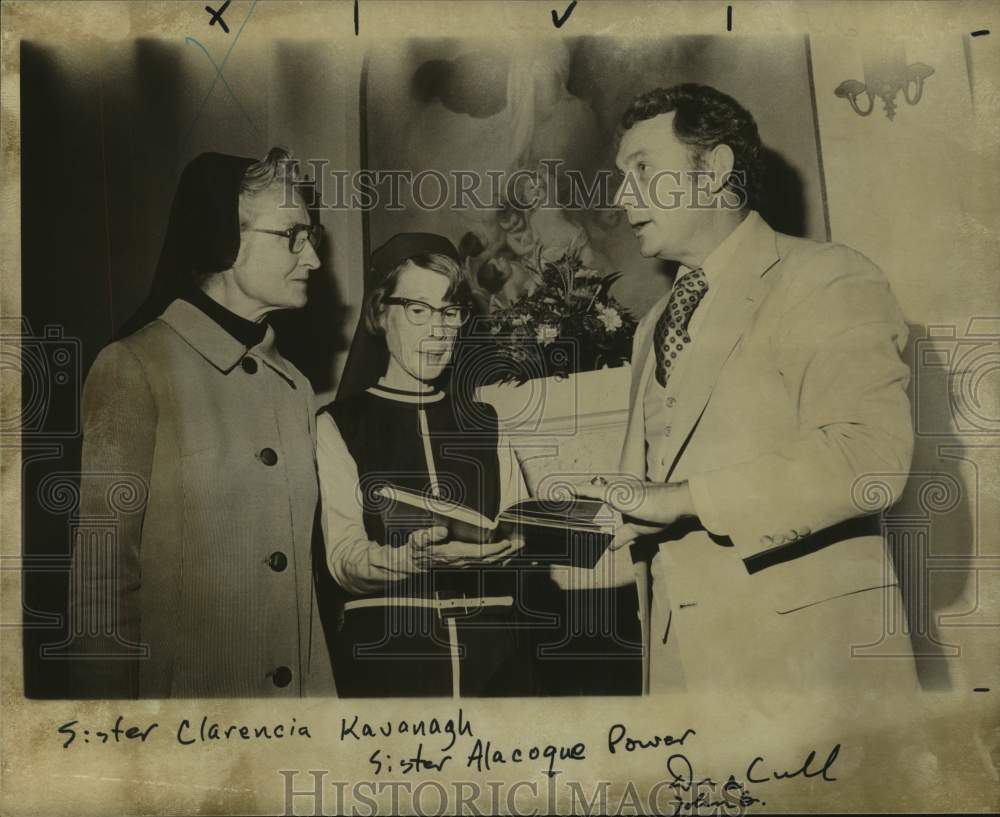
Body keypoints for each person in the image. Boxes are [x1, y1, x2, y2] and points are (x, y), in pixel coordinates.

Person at [573, 84, 917, 694]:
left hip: (811, 665)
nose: (622, 196)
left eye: (643, 170)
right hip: (682, 670)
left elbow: (870, 459)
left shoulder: (826, 277)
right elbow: (646, 495)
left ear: (716, 171)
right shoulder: (654, 322)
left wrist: (681, 497)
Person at [68, 149, 335, 698]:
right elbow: (101, 582)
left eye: (312, 237)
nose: (312, 259)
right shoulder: (134, 369)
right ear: (224, 240)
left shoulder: (296, 389)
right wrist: (113, 740)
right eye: (292, 235)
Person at [316, 232, 534, 698]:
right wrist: (405, 560)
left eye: (450, 311)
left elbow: (519, 524)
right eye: (418, 310)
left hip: (494, 658)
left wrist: (523, 539)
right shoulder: (338, 425)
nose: (438, 330)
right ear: (380, 313)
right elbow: (342, 560)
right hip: (392, 658)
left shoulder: (488, 421)